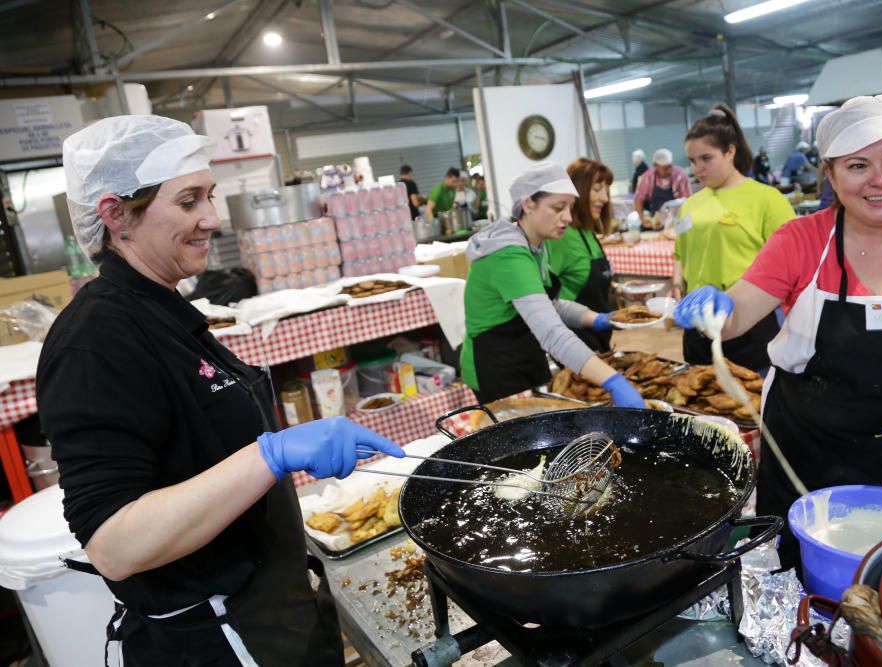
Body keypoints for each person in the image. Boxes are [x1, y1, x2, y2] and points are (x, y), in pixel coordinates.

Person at [37, 115, 405, 665]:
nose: (212, 219)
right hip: (218, 636)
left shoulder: (164, 309)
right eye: (188, 201)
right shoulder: (96, 340)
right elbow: (113, 543)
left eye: (209, 197)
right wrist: (271, 455)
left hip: (272, 606)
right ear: (115, 215)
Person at [673, 94, 882, 569]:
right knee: (796, 574)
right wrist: (716, 308)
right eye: (857, 166)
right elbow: (740, 313)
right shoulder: (800, 241)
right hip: (805, 446)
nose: (880, 180)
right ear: (830, 174)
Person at [460, 162, 645, 407]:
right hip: (496, 365)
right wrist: (613, 381)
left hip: (524, 353)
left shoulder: (536, 244)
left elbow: (549, 304)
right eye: (558, 207)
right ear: (527, 204)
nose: (568, 217)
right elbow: (551, 333)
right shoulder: (508, 255)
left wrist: (598, 319)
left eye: (569, 207)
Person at [674, 104, 795, 370]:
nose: (698, 169)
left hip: (749, 322)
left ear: (730, 151)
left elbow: (792, 263)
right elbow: (681, 253)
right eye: (692, 161)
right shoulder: (689, 205)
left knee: (753, 401)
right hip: (698, 325)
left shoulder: (766, 199)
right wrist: (676, 280)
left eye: (706, 158)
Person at [546, 158, 615, 352]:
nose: (605, 198)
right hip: (575, 339)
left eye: (606, 190)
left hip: (599, 337)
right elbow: (547, 299)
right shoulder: (561, 236)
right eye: (597, 189)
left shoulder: (587, 233)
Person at [634, 148, 690, 215]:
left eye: (670, 166)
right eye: (665, 168)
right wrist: (642, 217)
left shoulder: (681, 174)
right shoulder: (647, 177)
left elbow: (688, 199)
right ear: (656, 166)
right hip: (656, 217)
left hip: (678, 216)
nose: (669, 171)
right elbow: (638, 199)